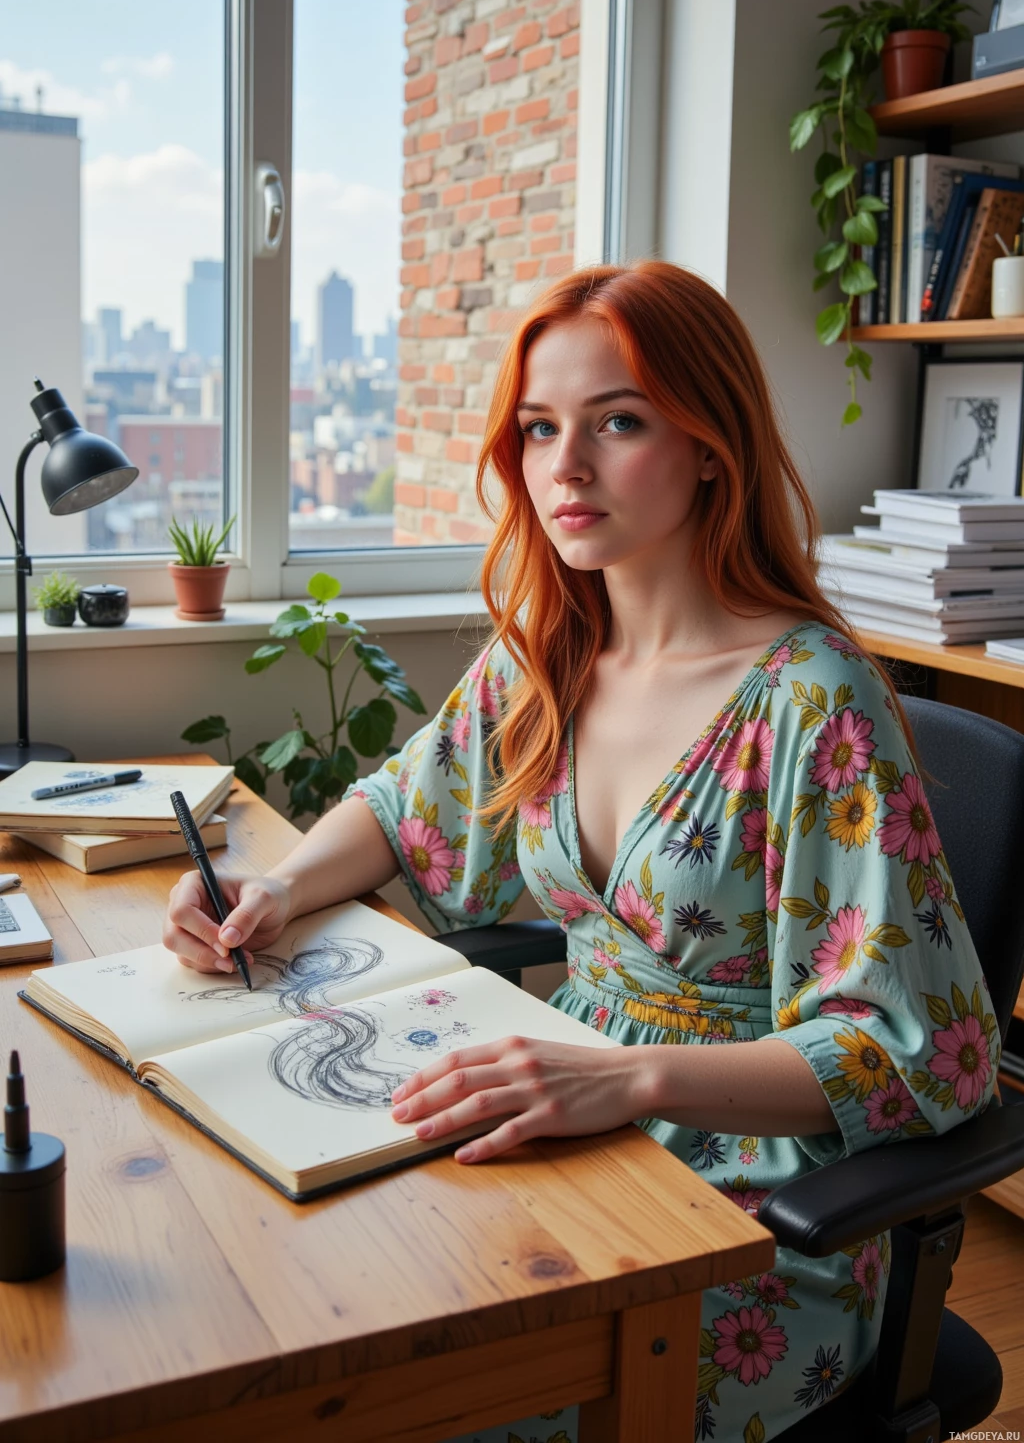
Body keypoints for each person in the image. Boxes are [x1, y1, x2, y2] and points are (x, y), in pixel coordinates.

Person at [164, 262, 999, 1443]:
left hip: (757, 1208)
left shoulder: (811, 703)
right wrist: (274, 888)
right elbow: (410, 803)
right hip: (563, 1113)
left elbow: (915, 1049)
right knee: (299, 1312)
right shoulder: (552, 648)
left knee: (444, 1404)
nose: (565, 467)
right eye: (541, 428)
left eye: (618, 422)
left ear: (711, 443)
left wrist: (630, 1078)